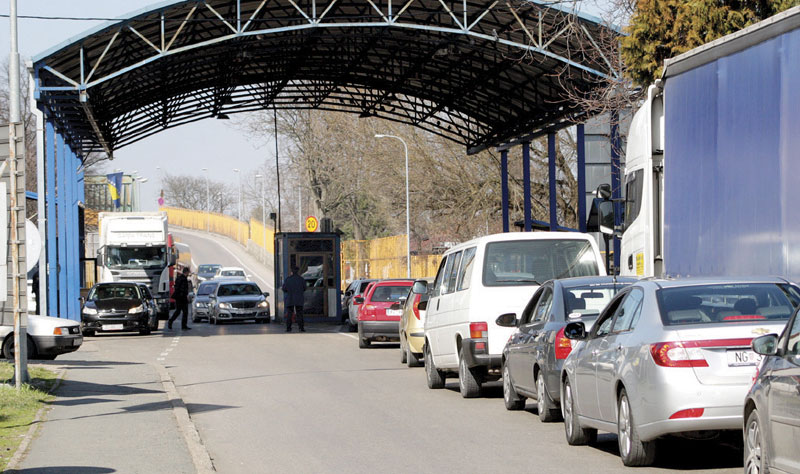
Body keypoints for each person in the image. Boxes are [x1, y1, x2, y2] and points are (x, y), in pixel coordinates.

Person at [282, 266, 306, 332]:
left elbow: (284, 289)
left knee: (289, 314)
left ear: (292, 271)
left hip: (290, 299)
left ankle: (288, 328)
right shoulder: (301, 279)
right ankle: (301, 328)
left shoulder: (288, 279)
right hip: (299, 299)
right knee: (300, 314)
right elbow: (304, 288)